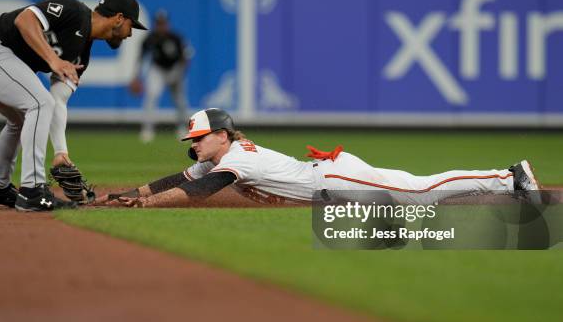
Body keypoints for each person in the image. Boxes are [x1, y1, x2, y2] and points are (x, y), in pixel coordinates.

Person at [95, 108, 541, 208]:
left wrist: (146, 204)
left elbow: (197, 190)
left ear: (222, 136)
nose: (194, 145)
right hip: (328, 180)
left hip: (336, 178)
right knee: (413, 200)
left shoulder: (237, 161)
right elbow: (182, 175)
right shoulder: (223, 155)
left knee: (419, 191)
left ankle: (508, 177)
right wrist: (130, 194)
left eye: (199, 138)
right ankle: (502, 188)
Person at [0, 0, 147, 211]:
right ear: (118, 18)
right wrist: (53, 60)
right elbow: (25, 19)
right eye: (131, 25)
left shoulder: (80, 55)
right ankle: (32, 191)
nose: (130, 34)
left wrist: (61, 153)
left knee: (22, 119)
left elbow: (58, 101)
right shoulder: (72, 9)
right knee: (39, 104)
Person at [129, 10, 191, 142]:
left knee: (180, 101)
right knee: (151, 96)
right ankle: (147, 129)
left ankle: (182, 128)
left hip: (176, 70)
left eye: (163, 23)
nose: (161, 26)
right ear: (155, 24)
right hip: (158, 70)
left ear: (167, 24)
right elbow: (141, 58)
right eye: (158, 23)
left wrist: (180, 75)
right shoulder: (150, 39)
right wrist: (136, 77)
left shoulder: (176, 38)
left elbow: (186, 57)